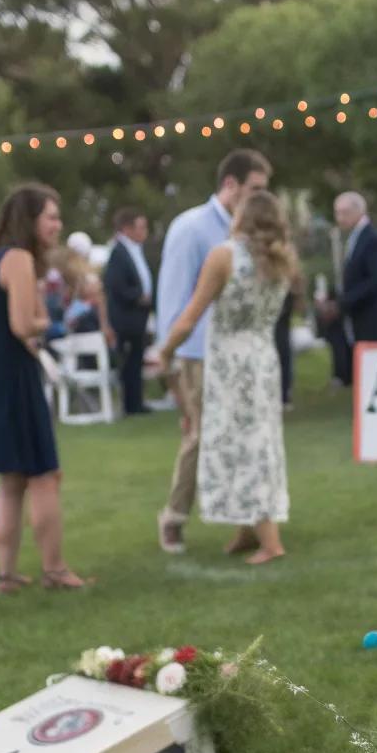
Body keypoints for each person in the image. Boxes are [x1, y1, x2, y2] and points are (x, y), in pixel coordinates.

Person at [0, 184, 90, 595]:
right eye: (50, 216)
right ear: (29, 219)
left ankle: (8, 575)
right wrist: (47, 321)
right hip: (8, 373)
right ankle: (54, 569)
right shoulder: (18, 259)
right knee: (43, 475)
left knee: (11, 479)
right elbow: (21, 325)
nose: (57, 224)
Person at [159, 190, 294, 566]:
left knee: (246, 445)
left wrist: (165, 350)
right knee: (256, 440)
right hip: (263, 358)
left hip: (232, 363)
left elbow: (190, 316)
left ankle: (270, 540)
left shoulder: (225, 256)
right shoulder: (280, 259)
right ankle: (248, 529)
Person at [329, 192, 377, 377]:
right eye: (337, 213)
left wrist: (346, 301)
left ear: (358, 211)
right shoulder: (355, 238)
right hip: (359, 314)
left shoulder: (373, 240)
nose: (340, 218)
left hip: (372, 314)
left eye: (344, 212)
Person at [103, 207, 153, 415]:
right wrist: (138, 295)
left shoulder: (135, 250)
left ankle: (138, 401)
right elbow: (115, 284)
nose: (145, 231)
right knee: (129, 361)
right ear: (127, 228)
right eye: (140, 227)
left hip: (138, 317)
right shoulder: (118, 253)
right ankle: (130, 404)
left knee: (137, 360)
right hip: (126, 317)